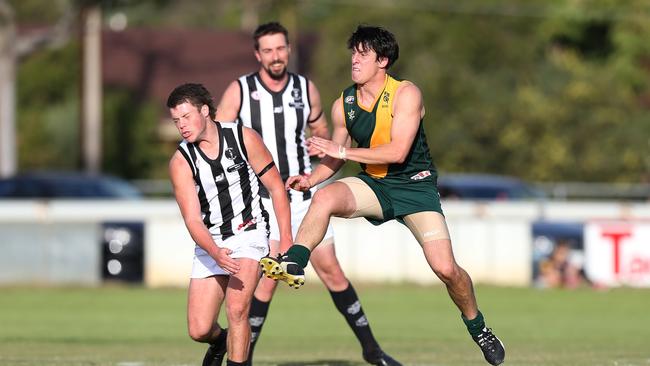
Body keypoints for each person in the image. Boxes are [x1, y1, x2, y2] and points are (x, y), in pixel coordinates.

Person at [266, 25, 507, 365]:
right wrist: (311, 178)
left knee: (446, 269)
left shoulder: (407, 94)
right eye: (353, 53)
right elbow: (336, 155)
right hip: (376, 186)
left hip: (415, 188)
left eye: (362, 54)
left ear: (383, 60)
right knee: (324, 197)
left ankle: (478, 327)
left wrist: (342, 152)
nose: (354, 60)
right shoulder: (343, 104)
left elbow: (396, 152)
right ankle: (295, 261)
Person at [216, 22, 400, 366]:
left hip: (302, 194)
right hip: (264, 201)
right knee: (267, 282)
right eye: (267, 50)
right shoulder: (240, 91)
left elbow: (321, 130)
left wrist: (317, 146)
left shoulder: (305, 89)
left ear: (289, 50)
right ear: (257, 54)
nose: (275, 56)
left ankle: (373, 351)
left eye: (281, 48)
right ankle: (245, 359)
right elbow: (218, 136)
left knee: (331, 271)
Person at [167, 83, 292, 366]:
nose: (182, 126)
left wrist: (286, 239)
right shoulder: (181, 161)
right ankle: (221, 342)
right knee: (198, 329)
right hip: (211, 242)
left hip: (250, 233)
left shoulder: (243, 137)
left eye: (186, 117)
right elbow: (192, 219)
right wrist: (214, 251)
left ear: (205, 111)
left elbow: (276, 188)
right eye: (176, 121)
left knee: (237, 310)